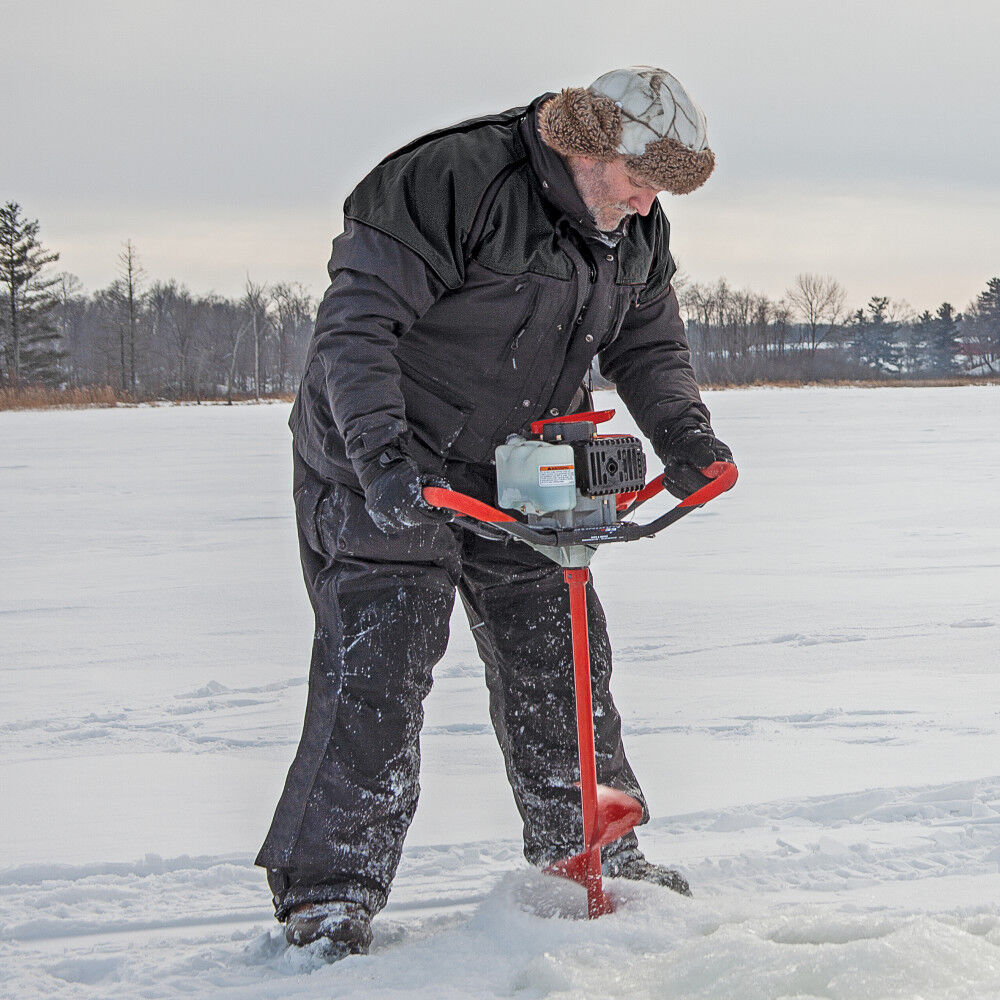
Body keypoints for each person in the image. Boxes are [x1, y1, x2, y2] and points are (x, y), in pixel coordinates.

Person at [256, 66, 735, 956]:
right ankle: (327, 896)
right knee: (379, 675)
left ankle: (591, 852)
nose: (648, 202)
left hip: (521, 470)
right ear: (592, 147)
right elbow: (356, 330)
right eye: (642, 179)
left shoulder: (634, 225)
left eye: (661, 190)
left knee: (564, 664)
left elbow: (648, 339)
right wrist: (381, 460)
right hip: (383, 461)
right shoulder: (449, 179)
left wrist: (687, 437)